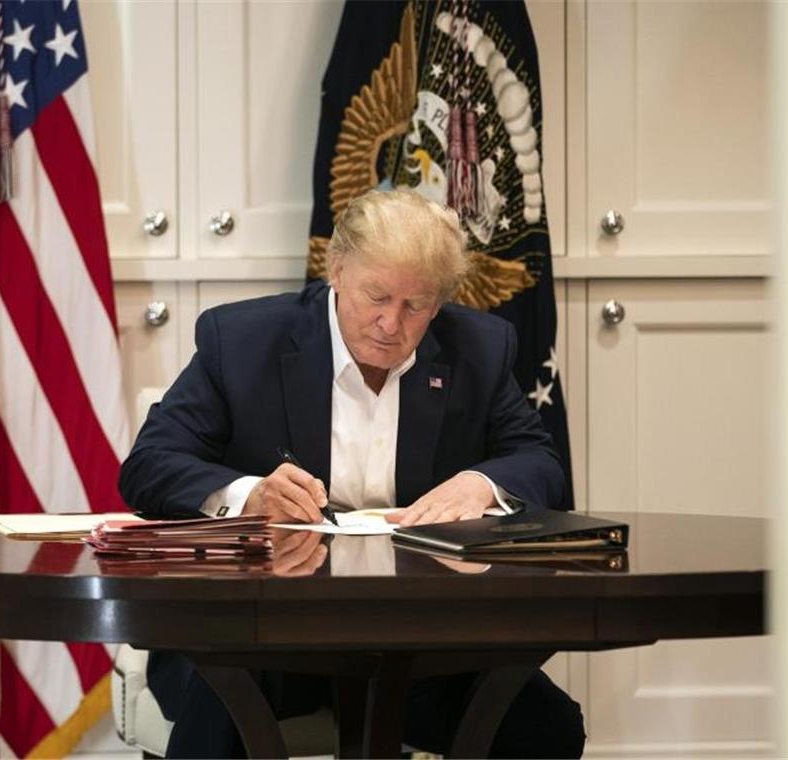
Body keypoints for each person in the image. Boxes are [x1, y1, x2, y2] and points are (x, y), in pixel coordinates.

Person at [119, 188, 585, 758]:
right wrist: (249, 494)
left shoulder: (479, 349)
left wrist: (482, 483)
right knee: (220, 709)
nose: (392, 323)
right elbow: (149, 465)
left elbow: (539, 462)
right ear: (337, 270)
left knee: (545, 724)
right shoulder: (241, 341)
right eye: (377, 296)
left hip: (419, 639)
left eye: (417, 305)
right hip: (260, 631)